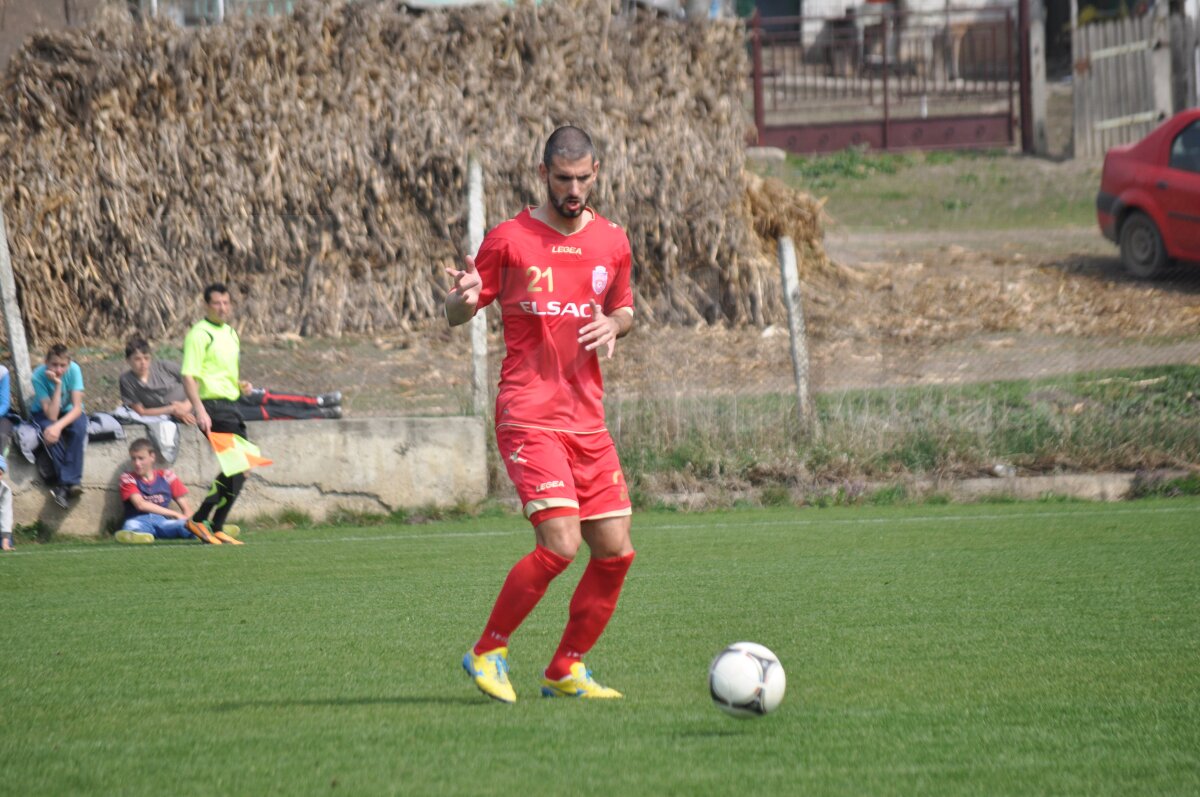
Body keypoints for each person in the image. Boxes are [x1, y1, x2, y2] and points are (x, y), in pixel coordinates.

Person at [445, 126, 637, 703]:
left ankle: (566, 668)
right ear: (543, 174)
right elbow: (461, 311)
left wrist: (615, 325)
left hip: (588, 419)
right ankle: (487, 651)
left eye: (582, 178)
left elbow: (624, 307)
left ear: (596, 172)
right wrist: (460, 297)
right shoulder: (509, 239)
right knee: (560, 543)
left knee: (615, 549)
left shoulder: (613, 242)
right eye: (562, 179)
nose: (573, 189)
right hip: (528, 412)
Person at [121, 335, 341, 423]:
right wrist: (173, 410)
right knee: (264, 414)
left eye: (145, 357)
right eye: (137, 359)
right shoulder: (128, 381)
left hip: (208, 395)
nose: (142, 363)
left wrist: (187, 404)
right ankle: (320, 414)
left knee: (263, 397)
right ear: (129, 361)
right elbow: (141, 411)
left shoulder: (165, 367)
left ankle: (319, 400)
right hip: (203, 413)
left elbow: (195, 380)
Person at [180, 284, 253, 545]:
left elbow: (222, 373)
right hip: (212, 408)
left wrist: (240, 386)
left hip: (231, 405)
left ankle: (214, 524)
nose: (222, 308)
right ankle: (200, 520)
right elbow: (189, 376)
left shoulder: (232, 333)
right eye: (217, 303)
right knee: (238, 466)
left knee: (242, 469)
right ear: (206, 305)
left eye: (226, 303)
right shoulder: (199, 334)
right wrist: (200, 410)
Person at [114, 437, 239, 545]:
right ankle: (136, 536)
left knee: (185, 526)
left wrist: (193, 523)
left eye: (141, 458)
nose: (137, 463)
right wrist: (174, 514)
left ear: (152, 457)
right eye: (133, 459)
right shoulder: (128, 478)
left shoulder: (167, 476)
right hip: (138, 520)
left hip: (162, 521)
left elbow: (186, 508)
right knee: (131, 527)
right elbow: (140, 504)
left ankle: (215, 530)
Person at [31, 344, 88, 510]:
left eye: (63, 365)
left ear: (69, 364)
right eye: (54, 364)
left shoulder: (75, 370)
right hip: (46, 412)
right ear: (46, 362)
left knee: (78, 428)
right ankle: (72, 483)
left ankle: (63, 486)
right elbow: (52, 416)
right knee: (50, 433)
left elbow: (77, 407)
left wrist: (59, 426)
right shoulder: (38, 376)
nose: (58, 369)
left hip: (70, 412)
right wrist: (57, 385)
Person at [1, 454, 12, 552]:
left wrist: (5, 540)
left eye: (0, 474)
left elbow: (6, 513)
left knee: (7, 542)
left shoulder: (5, 489)